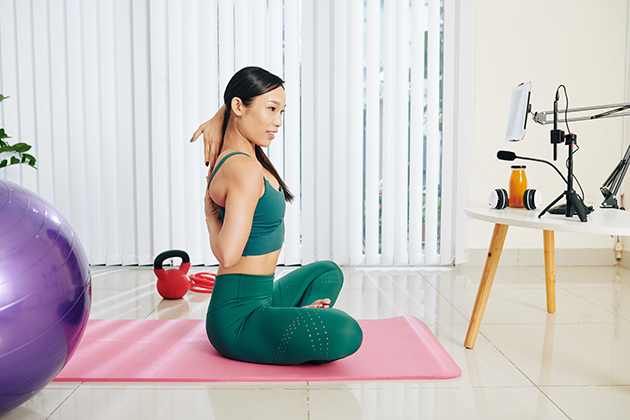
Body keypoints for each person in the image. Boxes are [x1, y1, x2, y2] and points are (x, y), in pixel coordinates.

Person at [191, 66, 362, 365]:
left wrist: (220, 116)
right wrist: (209, 217)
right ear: (238, 107)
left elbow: (236, 104)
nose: (277, 122)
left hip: (263, 295)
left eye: (281, 111)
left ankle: (289, 319)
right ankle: (289, 321)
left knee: (328, 271)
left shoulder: (245, 153)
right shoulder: (243, 168)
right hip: (237, 319)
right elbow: (228, 256)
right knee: (348, 332)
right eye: (271, 109)